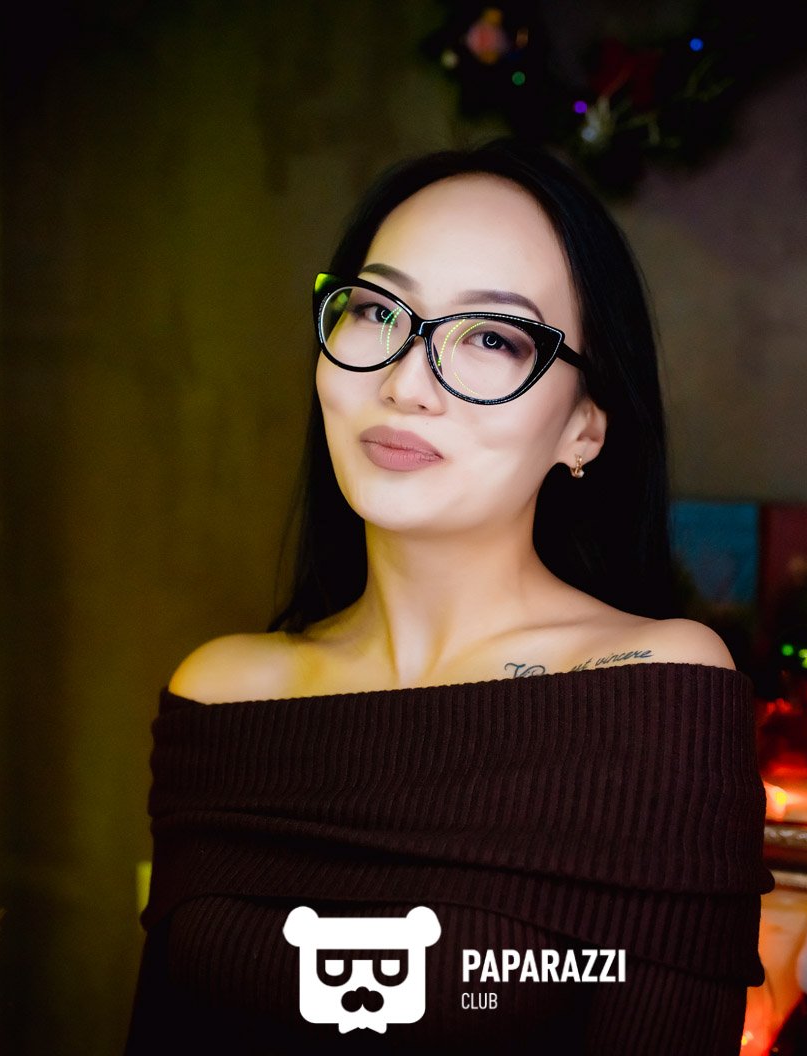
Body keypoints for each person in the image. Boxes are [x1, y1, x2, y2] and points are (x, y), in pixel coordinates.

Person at [125, 138, 772, 1054]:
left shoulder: (652, 689)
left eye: (492, 338)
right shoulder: (223, 695)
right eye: (375, 311)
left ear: (585, 428)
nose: (404, 384)